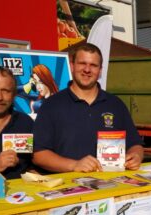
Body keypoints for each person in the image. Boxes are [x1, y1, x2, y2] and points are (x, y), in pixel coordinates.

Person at [33, 43, 144, 173]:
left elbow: (135, 144)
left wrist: (136, 156)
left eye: (93, 65)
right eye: (82, 63)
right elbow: (38, 155)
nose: (87, 69)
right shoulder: (51, 105)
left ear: (100, 70)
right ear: (72, 66)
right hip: (66, 188)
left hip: (110, 185)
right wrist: (74, 165)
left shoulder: (115, 104)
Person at [0, 66, 34, 179]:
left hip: (23, 194)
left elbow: (34, 163)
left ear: (14, 95)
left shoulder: (25, 123)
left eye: (6, 91)